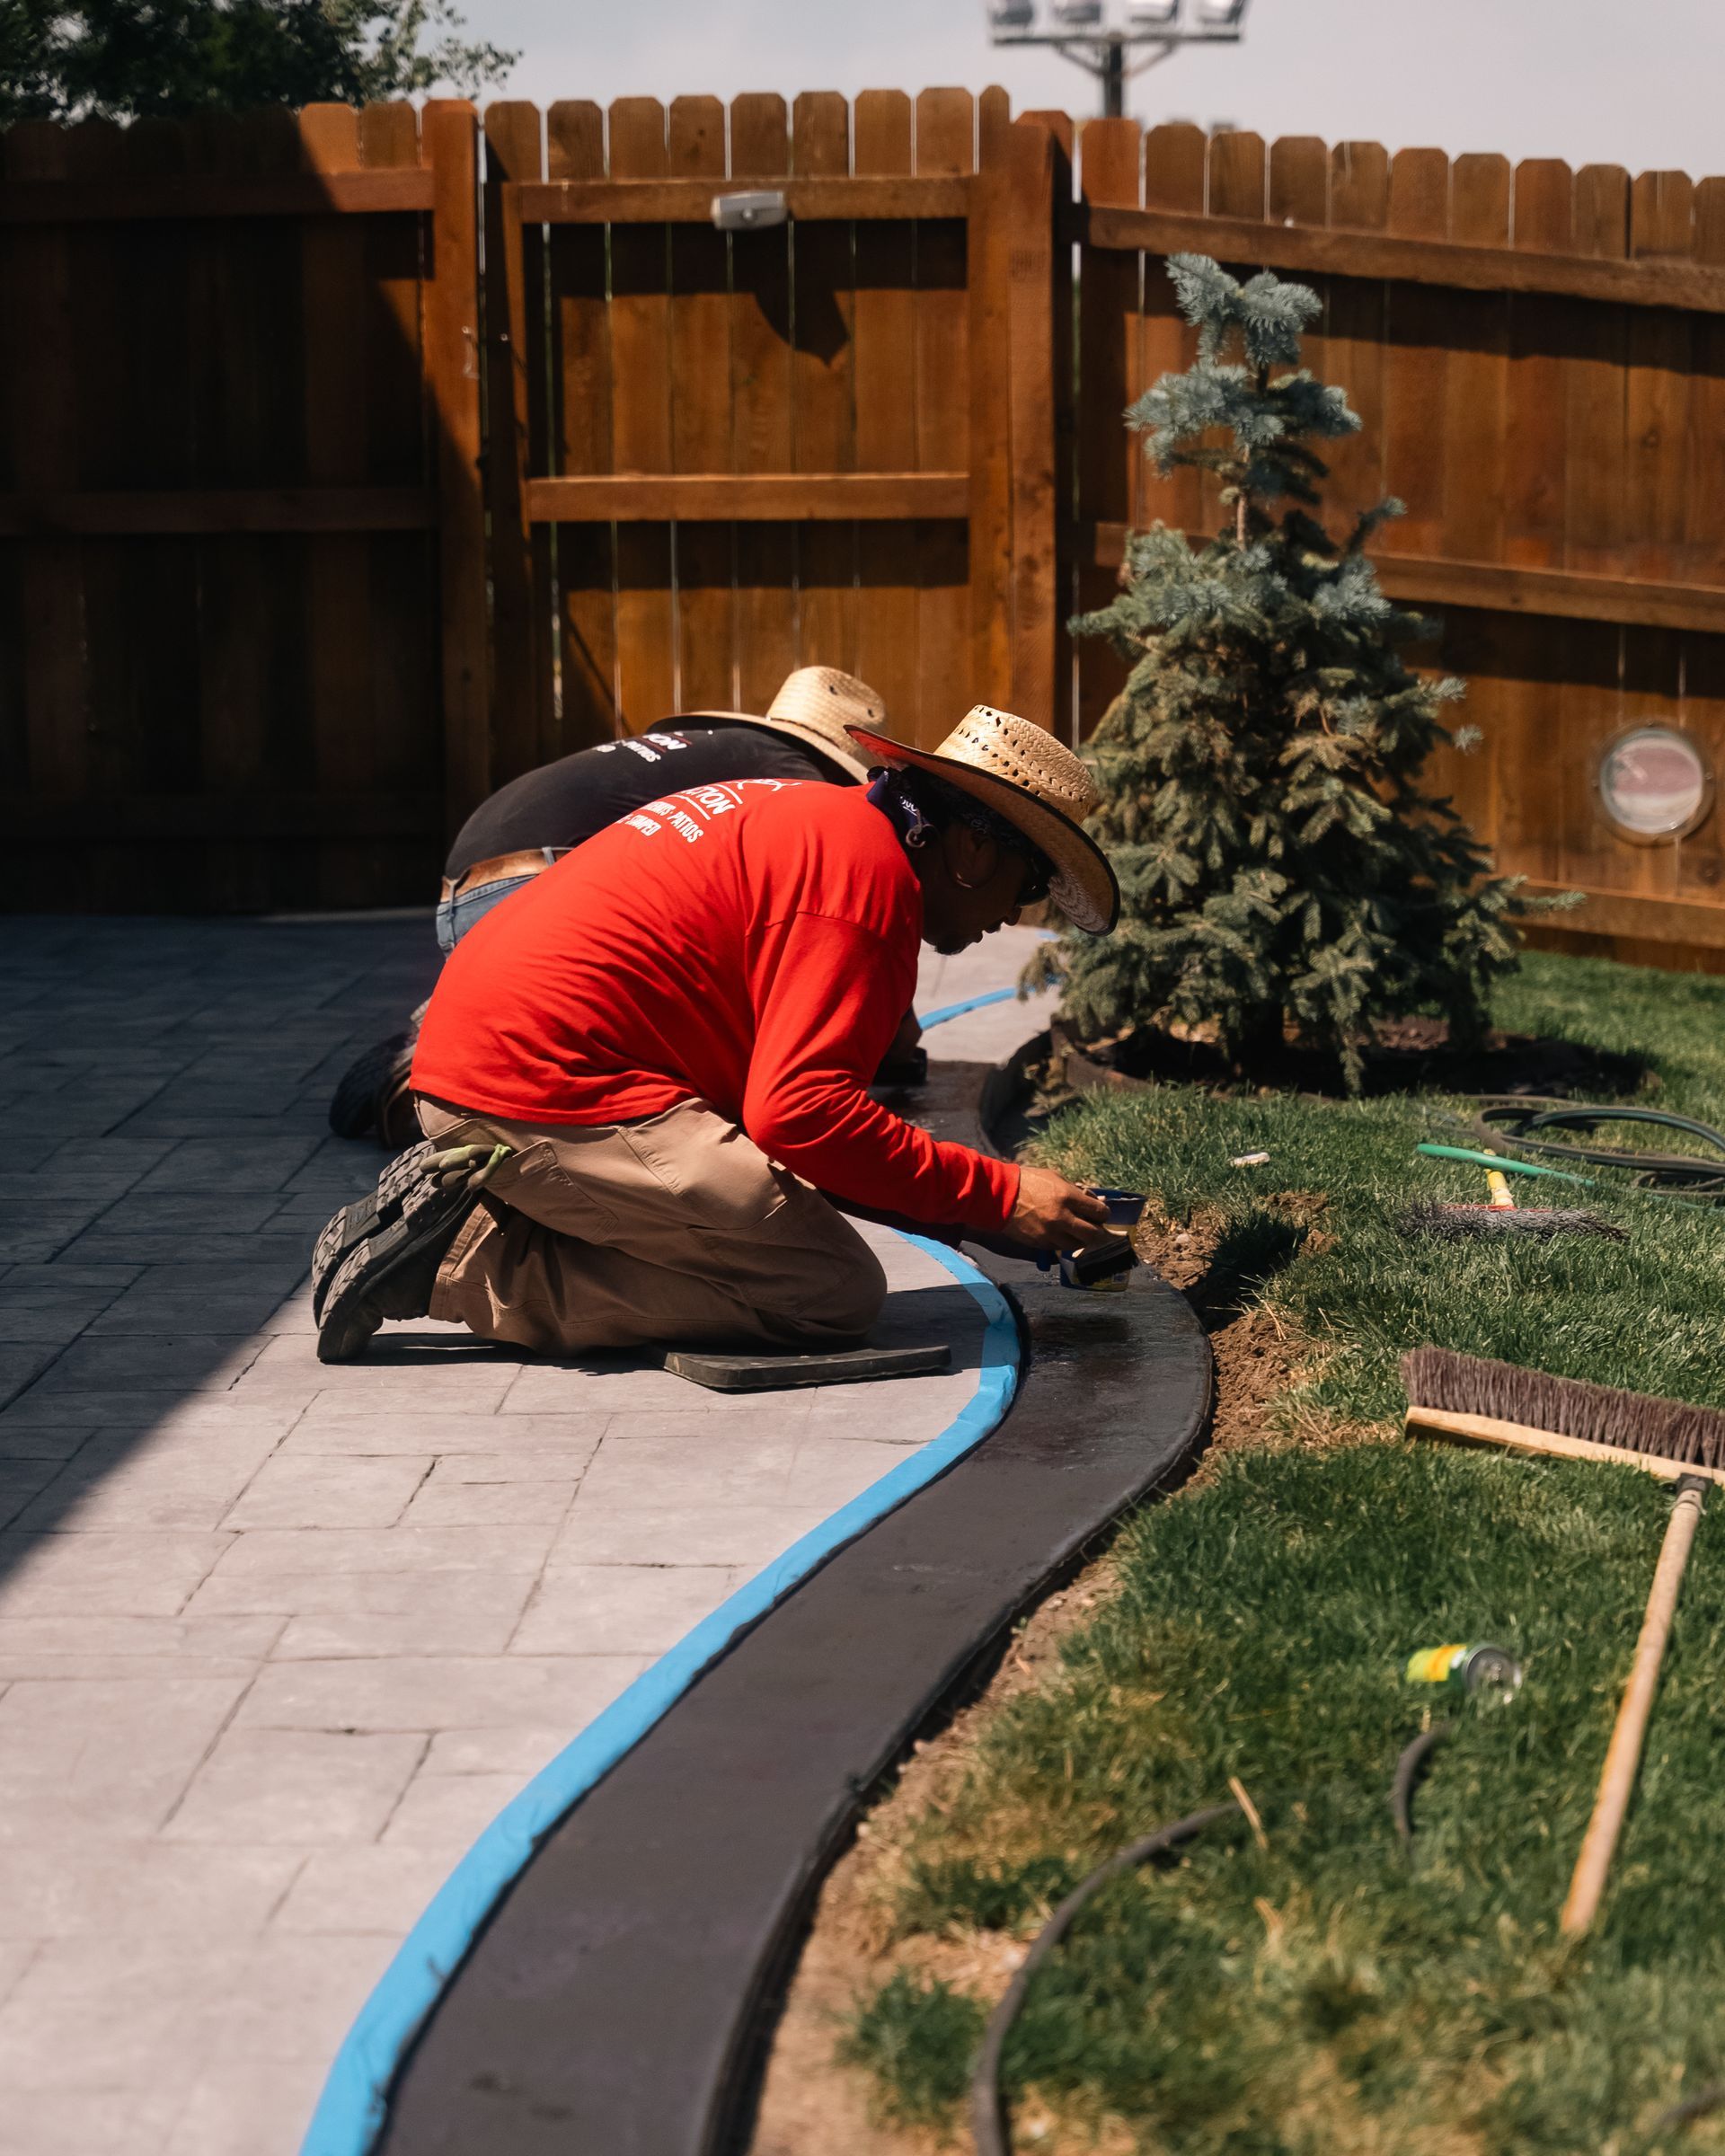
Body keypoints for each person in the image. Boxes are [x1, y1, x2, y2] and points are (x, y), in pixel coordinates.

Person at [311, 704, 1121, 1365]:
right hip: (538, 1084)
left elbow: (791, 1134)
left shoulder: (819, 825)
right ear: (973, 849)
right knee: (824, 1290)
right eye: (1027, 886)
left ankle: (518, 1207)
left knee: (765, 1222)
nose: (1014, 917)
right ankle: (465, 1263)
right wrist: (1000, 1193)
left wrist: (981, 1218)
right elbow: (802, 1118)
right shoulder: (864, 893)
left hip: (484, 1055)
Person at [327, 667, 909, 1145]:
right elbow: (829, 932)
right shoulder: (802, 782)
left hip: (468, 878)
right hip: (537, 876)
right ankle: (446, 1078)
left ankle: (446, 1035)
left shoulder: (723, 749)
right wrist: (886, 1037)